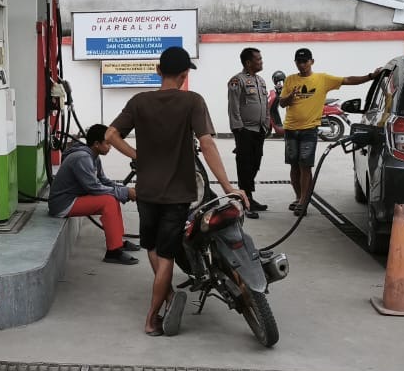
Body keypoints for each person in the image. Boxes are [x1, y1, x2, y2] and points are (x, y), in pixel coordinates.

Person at [106, 46, 246, 337]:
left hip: (145, 191)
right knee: (167, 255)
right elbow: (207, 144)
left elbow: (110, 135)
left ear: (158, 70)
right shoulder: (192, 101)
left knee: (152, 248)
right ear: (184, 75)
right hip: (178, 194)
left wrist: (137, 156)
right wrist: (228, 187)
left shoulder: (139, 101)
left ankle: (169, 297)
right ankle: (151, 318)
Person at [278, 47, 382, 215]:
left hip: (309, 130)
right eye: (299, 62)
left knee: (305, 166)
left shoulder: (323, 79)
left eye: (305, 61)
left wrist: (371, 76)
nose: (302, 65)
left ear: (312, 62)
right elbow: (282, 103)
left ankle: (304, 201)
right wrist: (290, 96)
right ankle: (298, 197)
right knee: (294, 166)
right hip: (291, 129)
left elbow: (347, 80)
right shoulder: (290, 80)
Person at [48, 124, 140, 265]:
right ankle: (113, 252)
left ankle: (117, 242)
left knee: (112, 197)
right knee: (108, 201)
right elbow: (94, 188)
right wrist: (126, 192)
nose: (110, 147)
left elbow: (104, 181)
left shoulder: (93, 157)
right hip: (63, 204)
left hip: (74, 198)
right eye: (108, 143)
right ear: (97, 144)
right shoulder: (82, 158)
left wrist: (124, 189)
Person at [227, 47, 271, 219]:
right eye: (258, 59)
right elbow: (233, 106)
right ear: (248, 62)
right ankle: (245, 202)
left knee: (255, 164)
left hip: (259, 130)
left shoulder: (261, 81)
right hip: (245, 130)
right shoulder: (237, 81)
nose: (261, 61)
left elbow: (265, 105)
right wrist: (238, 129)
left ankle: (249, 197)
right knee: (245, 166)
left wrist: (266, 124)